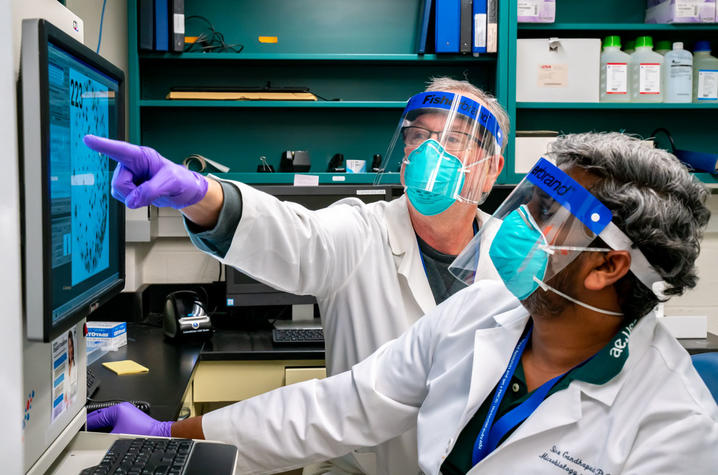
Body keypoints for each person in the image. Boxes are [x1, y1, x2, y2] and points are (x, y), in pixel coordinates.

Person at [88, 132, 718, 474]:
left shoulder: (675, 431)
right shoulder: (486, 310)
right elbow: (340, 407)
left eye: (550, 215)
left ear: (608, 265)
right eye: (530, 199)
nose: (523, 223)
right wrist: (170, 438)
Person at [83, 78, 509, 475]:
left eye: (454, 140)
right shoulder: (363, 232)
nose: (430, 154)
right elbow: (296, 236)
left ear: (492, 169)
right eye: (419, 137)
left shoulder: (513, 263)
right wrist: (198, 194)